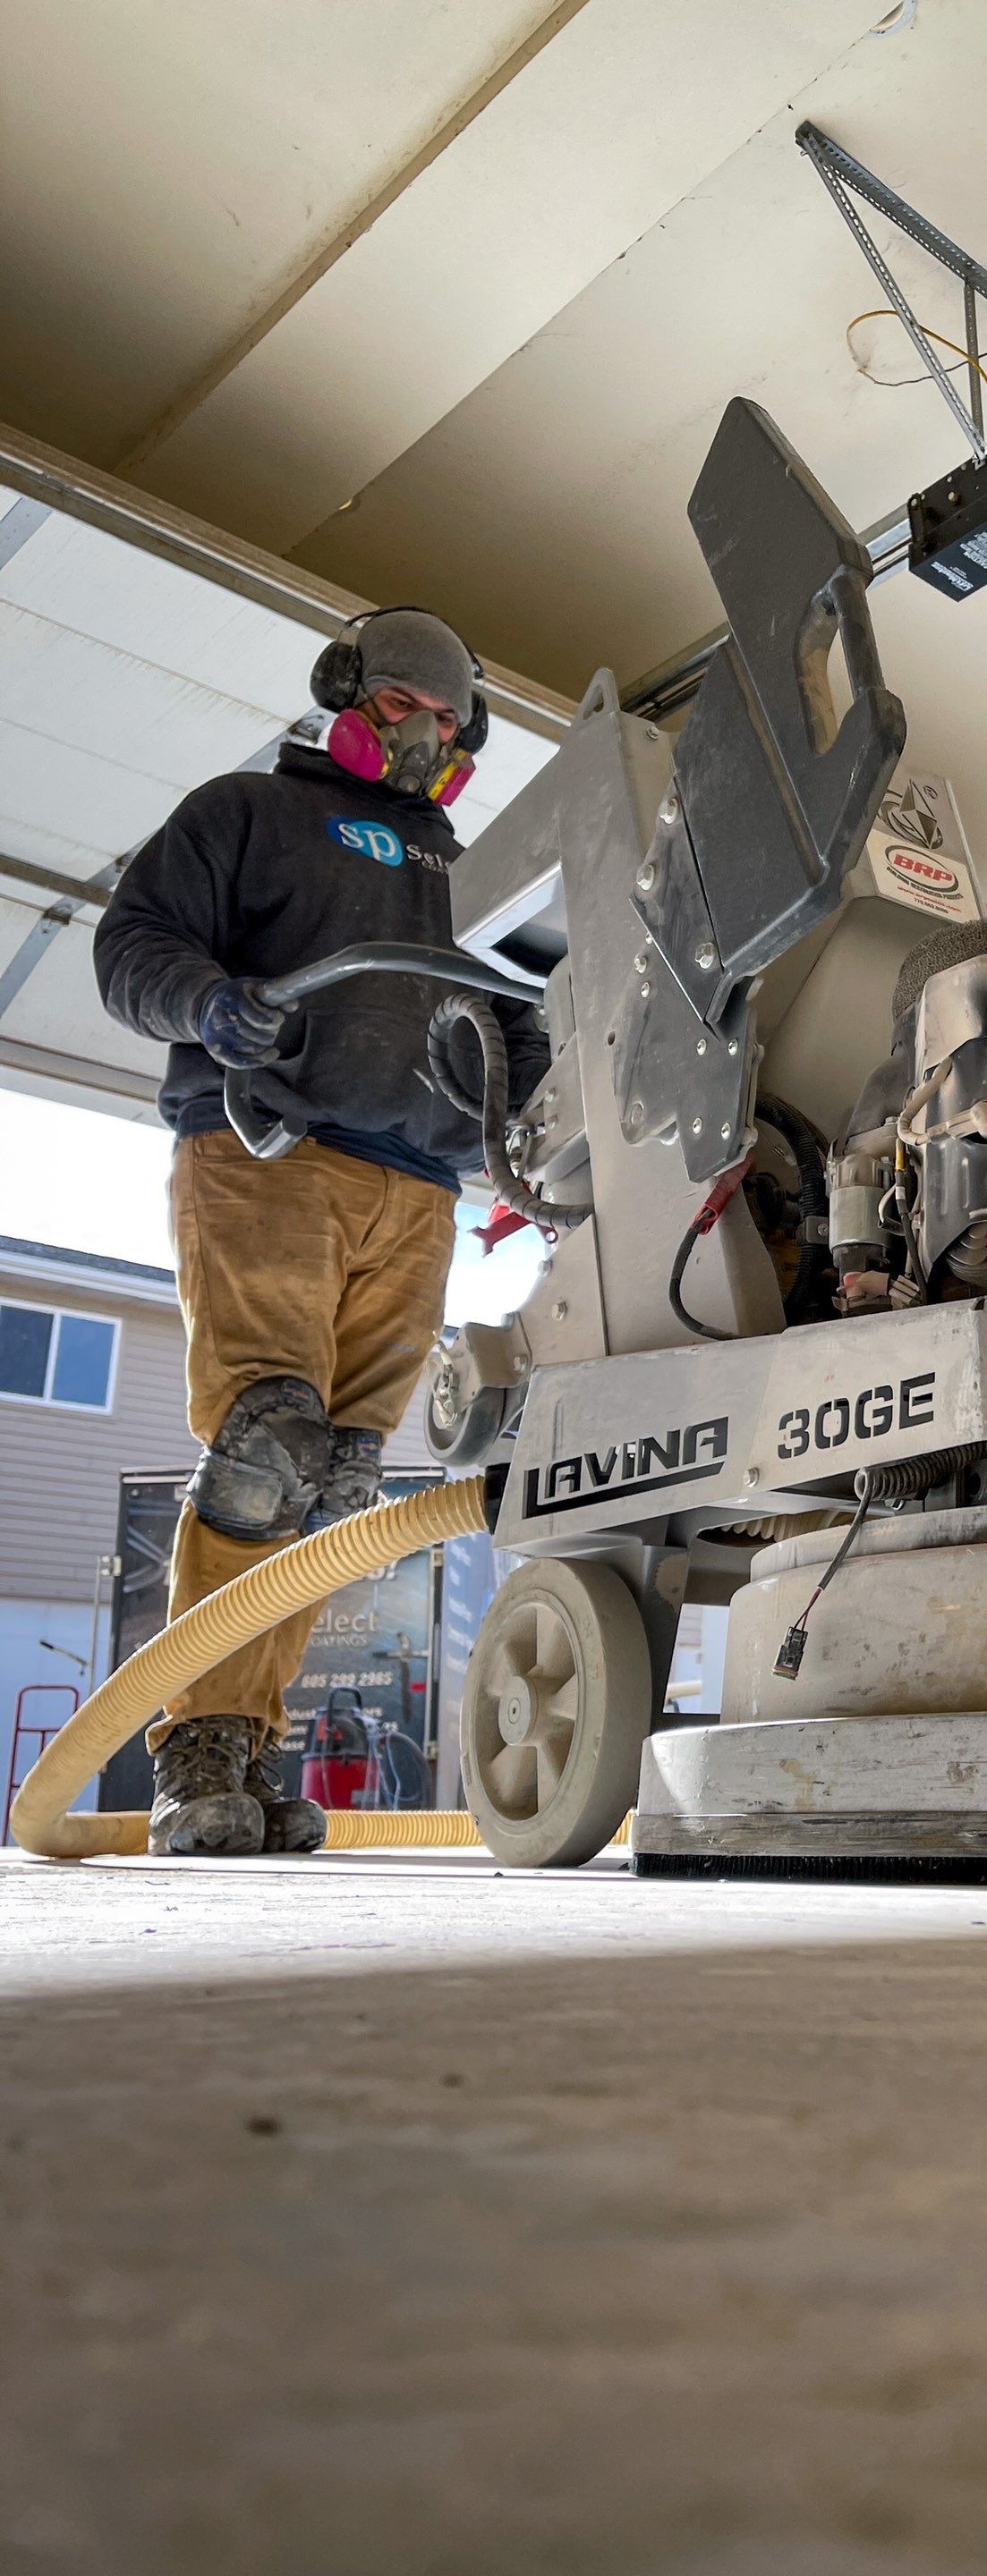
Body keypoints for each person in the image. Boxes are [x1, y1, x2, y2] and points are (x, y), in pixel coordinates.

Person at [94, 606, 549, 1858]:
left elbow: (518, 1020)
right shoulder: (245, 816)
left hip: (418, 1184)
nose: (428, 735)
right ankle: (201, 1750)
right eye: (405, 707)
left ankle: (255, 1741)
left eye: (451, 722)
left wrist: (527, 1120)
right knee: (265, 1449)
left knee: (339, 1480)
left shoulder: (477, 867)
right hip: (267, 1149)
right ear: (345, 695)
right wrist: (207, 1002)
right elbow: (131, 945)